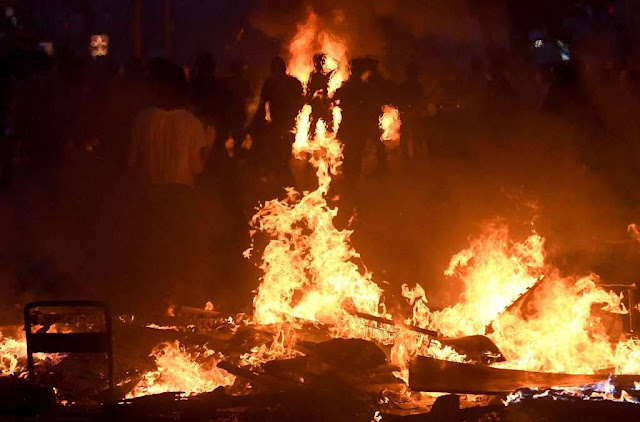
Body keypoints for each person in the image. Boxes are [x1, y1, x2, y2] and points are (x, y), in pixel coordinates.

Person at [129, 59, 213, 188]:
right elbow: (196, 169)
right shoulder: (193, 123)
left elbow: (131, 161)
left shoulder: (142, 118)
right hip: (179, 196)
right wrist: (208, 146)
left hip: (148, 194)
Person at [251, 56, 303, 186]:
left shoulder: (271, 82)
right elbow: (300, 102)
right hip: (289, 124)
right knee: (283, 157)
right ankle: (287, 186)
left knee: (277, 157)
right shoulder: (294, 82)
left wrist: (257, 124)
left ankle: (283, 186)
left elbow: (263, 104)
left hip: (279, 125)